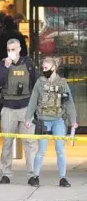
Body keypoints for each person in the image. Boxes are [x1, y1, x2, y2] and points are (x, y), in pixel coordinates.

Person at [24, 56, 78, 187]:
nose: (44, 70)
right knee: (41, 150)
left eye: (46, 68)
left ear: (53, 68)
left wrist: (73, 120)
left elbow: (69, 102)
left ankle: (62, 177)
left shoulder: (62, 83)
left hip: (58, 121)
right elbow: (33, 100)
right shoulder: (40, 82)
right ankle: (35, 176)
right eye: (43, 68)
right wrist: (28, 117)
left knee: (60, 150)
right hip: (43, 121)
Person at [0, 38, 39, 184]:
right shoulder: (1, 64)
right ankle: (5, 173)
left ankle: (32, 175)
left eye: (14, 49)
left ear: (19, 49)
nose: (11, 52)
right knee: (7, 142)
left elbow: (36, 83)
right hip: (8, 108)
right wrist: (5, 67)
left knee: (30, 142)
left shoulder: (29, 64)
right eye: (9, 49)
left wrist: (35, 107)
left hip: (26, 107)